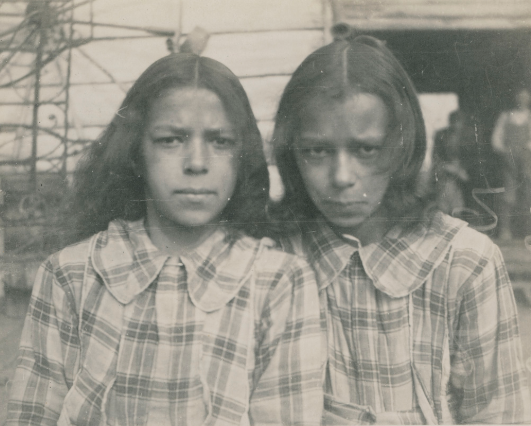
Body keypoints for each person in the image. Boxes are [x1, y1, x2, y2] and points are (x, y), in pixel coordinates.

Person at [7, 54, 323, 425]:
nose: (196, 163)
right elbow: (32, 414)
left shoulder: (279, 281)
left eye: (220, 141)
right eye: (171, 140)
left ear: (242, 156)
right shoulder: (70, 273)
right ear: (136, 154)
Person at [271, 24, 531, 424]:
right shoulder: (275, 261)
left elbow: (500, 414)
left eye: (366, 149)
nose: (342, 176)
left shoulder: (464, 264)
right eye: (318, 150)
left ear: (402, 146)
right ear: (292, 152)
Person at [491, 88, 531, 240]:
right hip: (508, 161)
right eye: (519, 97)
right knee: (508, 195)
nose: (522, 100)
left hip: (527, 160)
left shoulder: (530, 117)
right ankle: (505, 231)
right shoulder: (506, 116)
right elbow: (496, 138)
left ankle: (527, 230)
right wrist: (504, 151)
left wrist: (525, 151)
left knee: (528, 193)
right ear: (515, 98)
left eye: (525, 97)